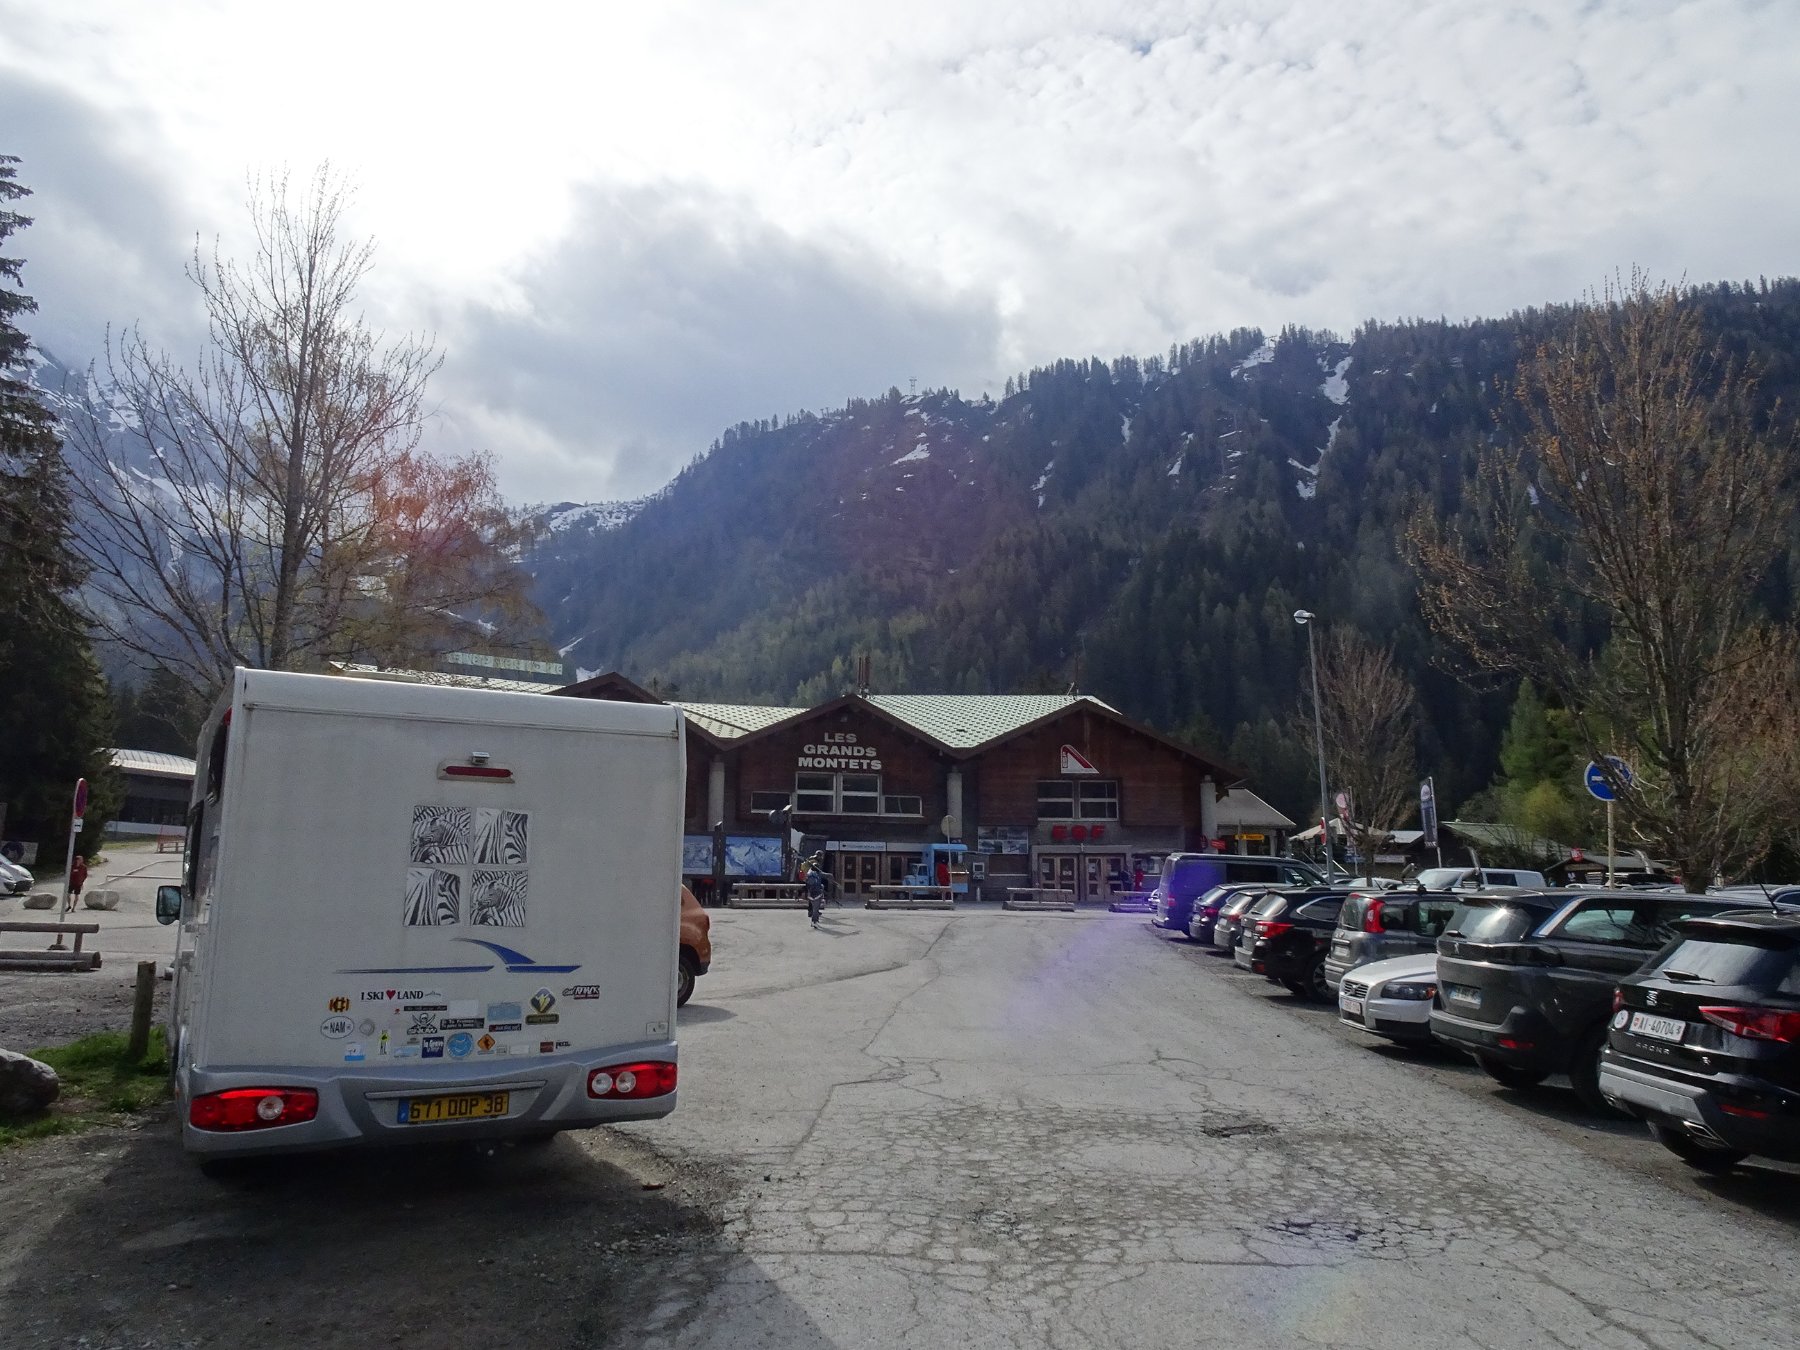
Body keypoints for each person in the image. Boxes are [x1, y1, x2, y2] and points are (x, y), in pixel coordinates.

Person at [804, 857, 827, 928]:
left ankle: (814, 921)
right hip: (815, 893)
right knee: (815, 908)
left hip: (814, 893)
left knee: (815, 908)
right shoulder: (812, 874)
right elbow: (810, 884)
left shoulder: (815, 874)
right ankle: (814, 921)